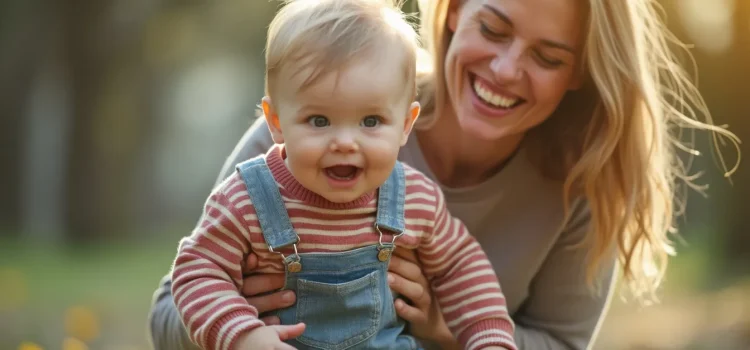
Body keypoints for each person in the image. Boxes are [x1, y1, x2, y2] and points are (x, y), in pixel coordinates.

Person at [149, 0, 741, 349]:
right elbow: (171, 309)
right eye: (494, 29)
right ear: (455, 13)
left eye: (548, 56)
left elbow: (531, 324)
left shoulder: (573, 183)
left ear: (581, 72)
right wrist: (237, 324)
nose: (507, 70)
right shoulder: (302, 128)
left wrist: (450, 328)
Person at [168, 0, 518, 349]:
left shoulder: (414, 198)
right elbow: (198, 271)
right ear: (276, 122)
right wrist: (243, 333)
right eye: (319, 121)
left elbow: (461, 268)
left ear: (405, 125)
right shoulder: (246, 200)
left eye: (371, 121)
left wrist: (490, 340)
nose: (345, 143)